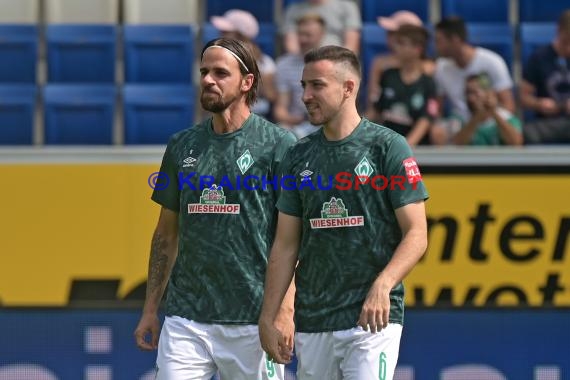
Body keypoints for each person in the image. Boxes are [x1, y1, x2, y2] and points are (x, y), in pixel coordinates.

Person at [258, 45, 429, 380]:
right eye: (303, 86)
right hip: (314, 320)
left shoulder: (388, 146)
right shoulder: (298, 155)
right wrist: (271, 314)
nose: (305, 96)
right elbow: (285, 244)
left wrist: (384, 284)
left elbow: (417, 233)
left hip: (372, 320)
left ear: (349, 87)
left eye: (316, 85)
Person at [133, 38, 297, 380]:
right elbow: (165, 234)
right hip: (186, 319)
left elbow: (293, 239)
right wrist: (151, 308)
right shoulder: (181, 145)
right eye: (204, 71)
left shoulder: (280, 146)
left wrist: (284, 311)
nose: (208, 79)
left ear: (247, 82)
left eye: (221, 73)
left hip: (254, 319)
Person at [431, 16, 515, 145]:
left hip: (489, 117)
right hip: (460, 121)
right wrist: (435, 120)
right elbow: (437, 105)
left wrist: (487, 115)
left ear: (455, 39)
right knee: (437, 132)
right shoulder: (441, 67)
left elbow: (508, 105)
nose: (435, 46)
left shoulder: (493, 62)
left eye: (439, 41)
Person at [368, 24, 438, 147]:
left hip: (414, 148)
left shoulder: (428, 83)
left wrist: (405, 146)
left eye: (401, 43)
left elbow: (426, 120)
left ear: (417, 48)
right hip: (386, 142)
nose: (396, 48)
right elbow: (376, 111)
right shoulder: (388, 76)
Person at [364, 10, 435, 118]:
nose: (388, 37)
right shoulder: (379, 62)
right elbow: (373, 100)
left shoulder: (429, 68)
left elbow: (430, 109)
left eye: (393, 33)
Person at [211, 9, 277, 121]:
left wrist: (253, 66)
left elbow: (270, 96)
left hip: (256, 118)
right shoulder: (213, 60)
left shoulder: (266, 63)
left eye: (226, 32)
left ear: (241, 36)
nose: (220, 35)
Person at [519, 9, 570, 144]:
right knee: (527, 133)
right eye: (566, 41)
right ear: (558, 31)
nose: (569, 48)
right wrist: (538, 104)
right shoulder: (539, 58)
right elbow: (522, 97)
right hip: (547, 123)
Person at [274, 14, 326, 139]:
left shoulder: (333, 65)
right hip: (297, 125)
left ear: (321, 35)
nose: (303, 40)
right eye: (300, 34)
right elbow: (280, 110)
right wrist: (297, 119)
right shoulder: (283, 64)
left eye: (308, 35)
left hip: (326, 124)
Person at [454, 73, 523, 145]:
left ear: (488, 93)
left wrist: (493, 113)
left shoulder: (507, 118)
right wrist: (477, 117)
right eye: (467, 93)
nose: (470, 98)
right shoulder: (459, 117)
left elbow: (516, 143)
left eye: (474, 93)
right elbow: (457, 144)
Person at [281, 0, 361, 54]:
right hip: (303, 64)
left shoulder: (347, 7)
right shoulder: (293, 10)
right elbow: (292, 47)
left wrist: (331, 62)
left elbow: (351, 47)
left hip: (337, 63)